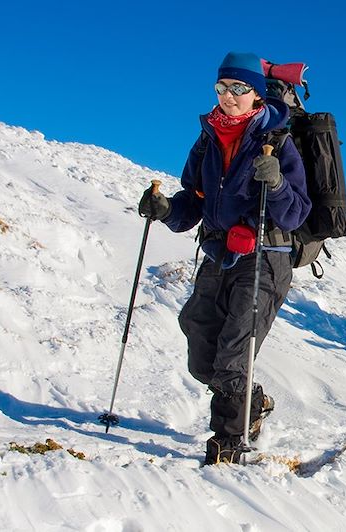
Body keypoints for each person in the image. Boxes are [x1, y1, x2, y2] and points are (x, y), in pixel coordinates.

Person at [138, 51, 311, 464]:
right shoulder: (209, 138)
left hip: (266, 255)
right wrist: (166, 211)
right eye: (222, 88)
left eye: (238, 88)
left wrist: (279, 183)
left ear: (256, 94)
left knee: (234, 353)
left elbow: (297, 211)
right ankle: (254, 401)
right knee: (201, 345)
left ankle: (227, 444)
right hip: (219, 251)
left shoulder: (278, 138)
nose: (228, 96)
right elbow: (192, 202)